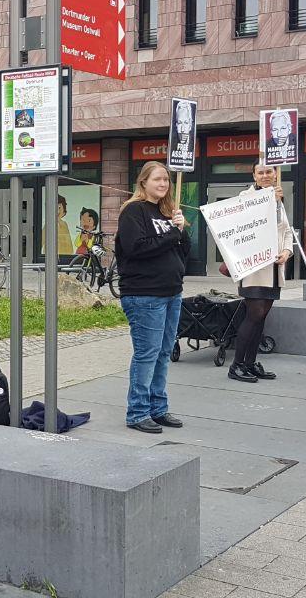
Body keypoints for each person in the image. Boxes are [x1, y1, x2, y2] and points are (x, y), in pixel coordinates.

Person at [115, 162, 189, 434]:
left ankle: (158, 408)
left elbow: (183, 251)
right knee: (147, 354)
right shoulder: (133, 211)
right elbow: (136, 248)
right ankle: (137, 412)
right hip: (145, 294)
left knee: (163, 353)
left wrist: (182, 229)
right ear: (143, 182)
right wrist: (172, 233)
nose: (163, 184)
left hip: (171, 293)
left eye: (167, 180)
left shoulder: (166, 212)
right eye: (158, 179)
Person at [229, 161, 293, 383]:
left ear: (275, 174)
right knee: (253, 314)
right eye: (261, 172)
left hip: (274, 268)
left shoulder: (279, 198)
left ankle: (250, 363)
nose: (265, 175)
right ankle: (236, 365)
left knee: (262, 317)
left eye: (269, 171)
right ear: (254, 175)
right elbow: (249, 223)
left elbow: (286, 231)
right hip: (254, 268)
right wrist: (270, 201)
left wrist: (286, 251)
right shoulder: (245, 197)